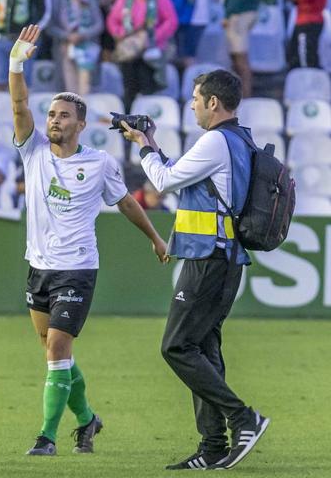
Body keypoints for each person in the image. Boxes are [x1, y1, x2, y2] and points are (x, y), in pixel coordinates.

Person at [7, 25, 168, 457]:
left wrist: (154, 237)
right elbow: (19, 102)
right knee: (53, 354)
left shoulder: (99, 163)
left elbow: (127, 204)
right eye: (52, 114)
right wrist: (15, 62)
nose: (53, 120)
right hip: (38, 265)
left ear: (80, 124)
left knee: (59, 346)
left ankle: (46, 436)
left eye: (62, 115)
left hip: (77, 268)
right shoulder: (33, 150)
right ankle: (87, 419)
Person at [121, 68, 270, 471]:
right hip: (223, 257)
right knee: (203, 347)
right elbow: (190, 179)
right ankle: (213, 445)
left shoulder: (215, 140)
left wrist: (143, 149)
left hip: (209, 258)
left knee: (176, 346)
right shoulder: (239, 139)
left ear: (213, 103)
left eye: (195, 99)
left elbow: (165, 181)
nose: (191, 106)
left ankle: (243, 418)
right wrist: (149, 141)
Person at [107, 0, 179, 109]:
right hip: (129, 53)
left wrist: (151, 38)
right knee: (130, 89)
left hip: (150, 52)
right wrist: (122, 33)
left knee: (147, 88)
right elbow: (112, 20)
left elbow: (171, 21)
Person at [48, 0, 103, 95]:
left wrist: (84, 35)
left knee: (85, 87)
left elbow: (99, 24)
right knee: (69, 89)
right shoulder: (58, 2)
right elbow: (51, 27)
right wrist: (67, 36)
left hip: (88, 49)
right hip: (66, 49)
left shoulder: (91, 1)